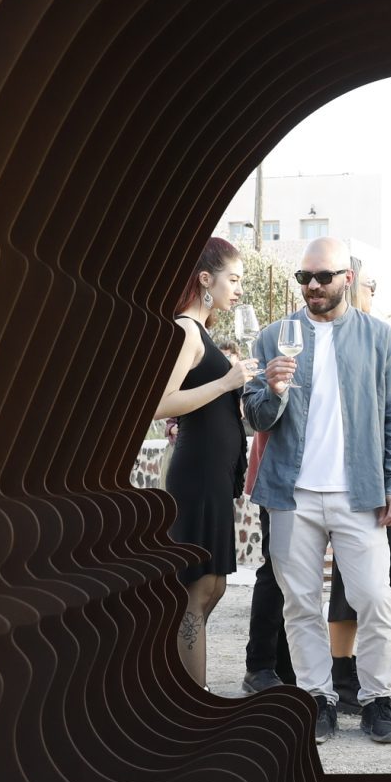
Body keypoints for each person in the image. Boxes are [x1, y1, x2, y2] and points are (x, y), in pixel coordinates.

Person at [244, 236, 391, 743]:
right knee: (299, 604)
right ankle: (317, 697)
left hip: (359, 492)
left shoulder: (379, 337)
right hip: (290, 493)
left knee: (375, 600)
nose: (312, 286)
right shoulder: (274, 336)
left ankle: (377, 698)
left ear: (347, 278)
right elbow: (254, 416)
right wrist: (271, 391)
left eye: (322, 277)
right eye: (304, 278)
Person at [152, 238, 256, 685]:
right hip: (194, 475)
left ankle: (178, 683)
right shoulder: (186, 330)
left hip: (214, 477)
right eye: (233, 279)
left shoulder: (204, 331)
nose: (238, 289)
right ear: (205, 279)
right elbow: (159, 403)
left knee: (212, 587)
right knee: (195, 589)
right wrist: (227, 380)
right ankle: (192, 697)